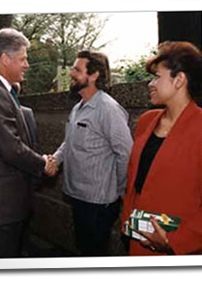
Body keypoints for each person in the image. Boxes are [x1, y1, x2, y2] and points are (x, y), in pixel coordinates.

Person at [0, 28, 52, 258]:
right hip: (0, 208)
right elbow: (11, 147)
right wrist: (43, 163)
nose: (27, 65)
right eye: (23, 59)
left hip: (6, 204)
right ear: (5, 59)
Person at [121, 41, 202, 256]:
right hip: (138, 240)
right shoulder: (146, 121)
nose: (151, 83)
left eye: (157, 77)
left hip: (178, 250)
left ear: (179, 80)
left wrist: (174, 240)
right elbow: (135, 178)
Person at [48, 50, 133, 256]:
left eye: (77, 69)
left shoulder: (108, 109)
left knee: (94, 254)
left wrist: (120, 192)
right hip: (78, 197)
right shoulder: (78, 107)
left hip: (98, 203)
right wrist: (55, 159)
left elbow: (126, 154)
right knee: (84, 249)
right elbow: (69, 142)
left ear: (94, 75)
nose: (71, 74)